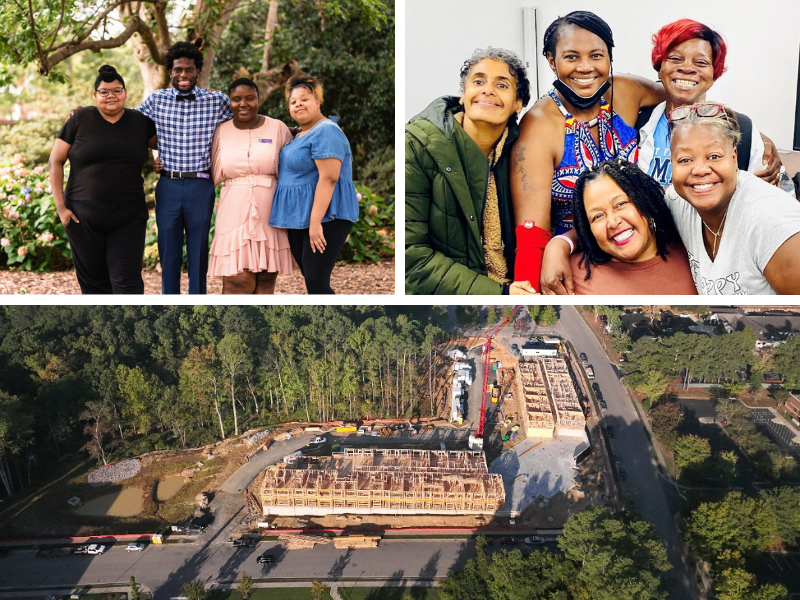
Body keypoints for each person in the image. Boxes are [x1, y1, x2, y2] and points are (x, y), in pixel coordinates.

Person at [511, 11, 665, 292]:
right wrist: (527, 301)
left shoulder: (625, 91)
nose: (585, 67)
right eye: (571, 57)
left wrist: (753, 134)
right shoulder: (539, 126)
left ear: (609, 58)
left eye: (596, 56)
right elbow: (531, 234)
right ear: (551, 60)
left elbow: (683, 93)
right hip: (579, 267)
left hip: (644, 246)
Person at [406, 47, 535, 295]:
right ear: (463, 96)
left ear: (518, 104)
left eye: (502, 85)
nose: (487, 90)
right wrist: (500, 293)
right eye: (478, 81)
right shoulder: (415, 146)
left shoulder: (523, 154)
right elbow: (410, 255)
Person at [156, 78, 294, 293]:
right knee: (236, 280)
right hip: (233, 211)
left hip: (270, 212)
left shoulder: (278, 128)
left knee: (266, 279)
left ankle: (262, 326)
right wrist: (164, 161)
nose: (243, 104)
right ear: (229, 102)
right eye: (236, 99)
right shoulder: (219, 131)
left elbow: (293, 163)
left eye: (250, 98)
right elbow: (196, 155)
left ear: (259, 99)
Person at [667, 104, 800, 294]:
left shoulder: (773, 221)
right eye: (685, 160)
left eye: (714, 156)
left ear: (734, 157)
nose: (700, 170)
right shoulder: (677, 201)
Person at [49, 65, 157, 294]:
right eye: (104, 91)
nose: (111, 96)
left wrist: (162, 162)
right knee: (93, 286)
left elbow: (169, 142)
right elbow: (55, 161)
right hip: (83, 217)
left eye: (117, 90)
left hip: (129, 217)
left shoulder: (140, 121)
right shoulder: (80, 118)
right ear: (95, 95)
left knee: (127, 284)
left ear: (126, 93)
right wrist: (61, 209)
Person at [137, 41, 233, 294]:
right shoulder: (156, 100)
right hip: (168, 184)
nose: (183, 75)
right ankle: (169, 301)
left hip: (201, 184)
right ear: (170, 71)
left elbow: (247, 121)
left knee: (199, 249)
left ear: (197, 71)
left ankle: (197, 300)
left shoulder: (217, 101)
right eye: (178, 69)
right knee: (168, 249)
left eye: (189, 69)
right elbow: (128, 124)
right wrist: (87, 113)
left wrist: (288, 130)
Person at [637, 19, 779, 187]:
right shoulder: (635, 124)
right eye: (675, 58)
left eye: (701, 62)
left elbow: (765, 199)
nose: (687, 68)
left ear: (714, 73)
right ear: (660, 68)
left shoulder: (744, 131)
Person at [269, 75, 359, 294]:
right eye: (293, 101)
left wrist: (315, 223)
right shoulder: (301, 134)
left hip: (326, 216)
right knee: (312, 280)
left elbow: (329, 178)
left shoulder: (326, 130)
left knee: (317, 282)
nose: (298, 103)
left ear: (317, 102)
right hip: (301, 218)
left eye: (304, 99)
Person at [570, 159, 697, 294]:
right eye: (598, 216)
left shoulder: (691, 249)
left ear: (645, 201)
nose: (612, 222)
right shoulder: (571, 274)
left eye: (620, 204)